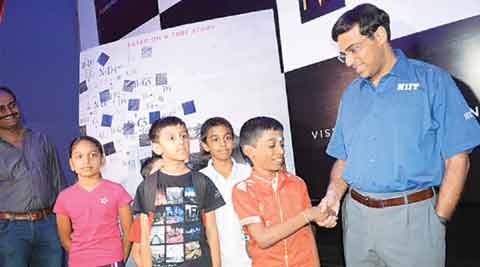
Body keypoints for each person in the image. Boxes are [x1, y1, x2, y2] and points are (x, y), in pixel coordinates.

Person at [318, 3, 480, 267]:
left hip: (413, 221)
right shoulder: (351, 94)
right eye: (342, 55)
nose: (348, 62)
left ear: (379, 36)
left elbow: (457, 159)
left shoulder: (432, 81)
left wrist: (438, 220)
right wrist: (334, 196)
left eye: (353, 49)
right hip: (356, 220)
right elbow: (343, 160)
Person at [127, 116, 225, 267]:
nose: (181, 141)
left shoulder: (202, 181)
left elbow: (212, 232)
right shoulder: (147, 187)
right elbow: (145, 238)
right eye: (171, 138)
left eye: (184, 136)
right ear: (157, 148)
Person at [232, 116, 329, 267]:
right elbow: (263, 239)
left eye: (282, 144)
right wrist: (308, 215)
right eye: (272, 146)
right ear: (250, 151)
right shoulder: (244, 190)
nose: (281, 151)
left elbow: (308, 233)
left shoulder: (297, 183)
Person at [0, 86, 65, 266]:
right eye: (1, 109)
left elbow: (58, 183)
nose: (9, 111)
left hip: (48, 226)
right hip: (9, 231)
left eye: (12, 105)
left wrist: (62, 223)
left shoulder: (42, 140)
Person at [53, 136, 133, 267]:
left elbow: (129, 230)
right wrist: (82, 257)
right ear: (71, 164)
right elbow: (65, 238)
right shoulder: (64, 197)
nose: (86, 161)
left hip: (112, 259)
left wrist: (120, 259)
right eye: (79, 156)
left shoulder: (116, 191)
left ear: (102, 160)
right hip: (79, 262)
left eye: (93, 155)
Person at [199, 117, 251, 267]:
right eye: (215, 139)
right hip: (219, 259)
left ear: (233, 141)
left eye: (227, 138)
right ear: (205, 145)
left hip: (252, 257)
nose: (223, 144)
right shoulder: (200, 180)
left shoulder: (248, 173)